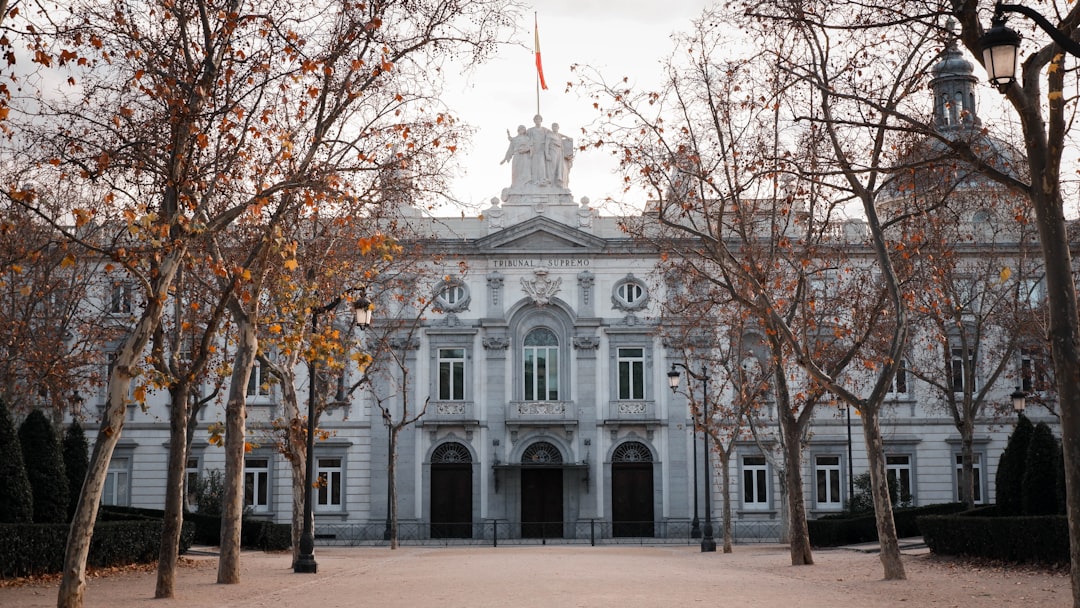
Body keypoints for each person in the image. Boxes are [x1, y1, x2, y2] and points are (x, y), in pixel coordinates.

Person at [526, 114, 551, 186]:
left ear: (541, 120)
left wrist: (566, 137)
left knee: (541, 164)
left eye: (539, 119)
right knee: (534, 165)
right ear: (534, 121)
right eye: (536, 119)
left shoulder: (545, 130)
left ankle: (542, 180)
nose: (537, 121)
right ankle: (534, 180)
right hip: (533, 150)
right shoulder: (530, 130)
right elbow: (522, 136)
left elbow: (555, 134)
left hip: (541, 150)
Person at [549, 122, 574, 188]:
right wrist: (546, 154)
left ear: (558, 128)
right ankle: (551, 182)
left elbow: (561, 135)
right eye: (553, 126)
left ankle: (559, 180)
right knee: (553, 166)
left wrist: (567, 137)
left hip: (559, 152)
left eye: (556, 126)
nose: (555, 128)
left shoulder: (558, 135)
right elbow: (546, 145)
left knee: (559, 166)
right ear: (552, 128)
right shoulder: (550, 135)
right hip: (553, 152)